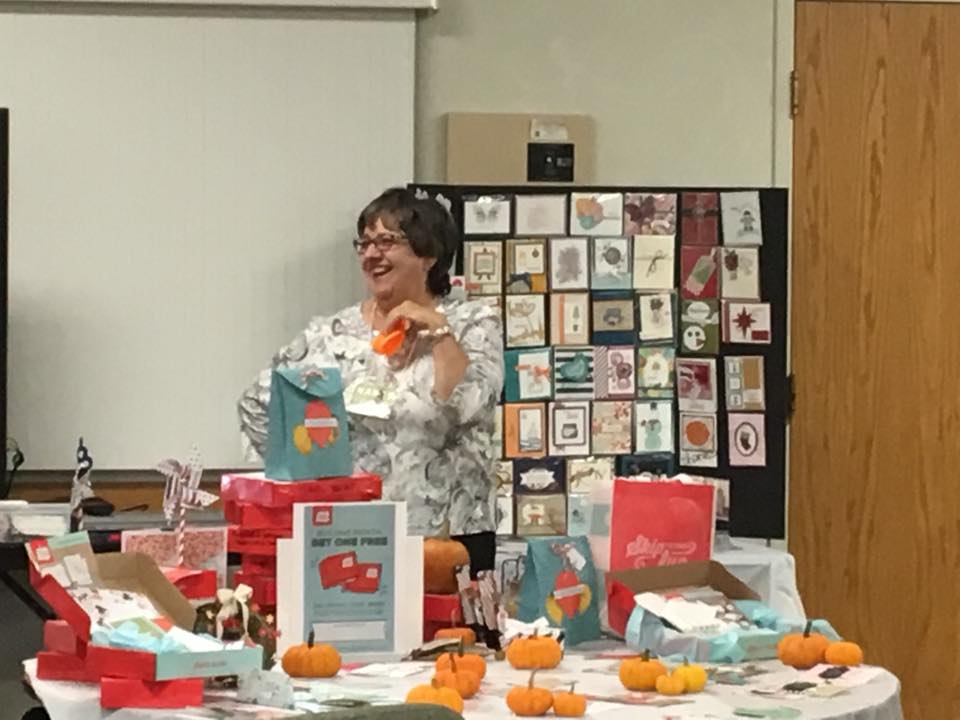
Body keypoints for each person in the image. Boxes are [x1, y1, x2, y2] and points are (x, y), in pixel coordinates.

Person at [238, 187, 504, 571]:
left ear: (428, 254)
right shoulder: (332, 335)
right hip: (351, 535)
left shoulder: (472, 324)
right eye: (364, 244)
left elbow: (470, 405)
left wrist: (438, 332)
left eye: (386, 241)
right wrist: (309, 481)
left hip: (450, 540)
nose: (370, 254)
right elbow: (258, 404)